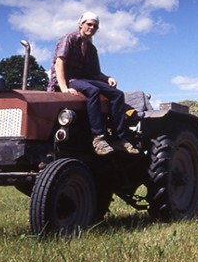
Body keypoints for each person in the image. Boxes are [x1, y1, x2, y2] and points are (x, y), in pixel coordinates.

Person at [48, 12, 138, 156]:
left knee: (117, 94)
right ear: (81, 24)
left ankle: (119, 138)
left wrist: (108, 78)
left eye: (95, 26)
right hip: (68, 79)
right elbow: (60, 63)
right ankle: (98, 138)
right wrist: (64, 88)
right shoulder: (69, 39)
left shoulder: (91, 48)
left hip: (83, 79)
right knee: (93, 91)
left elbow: (95, 73)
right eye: (89, 24)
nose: (92, 28)